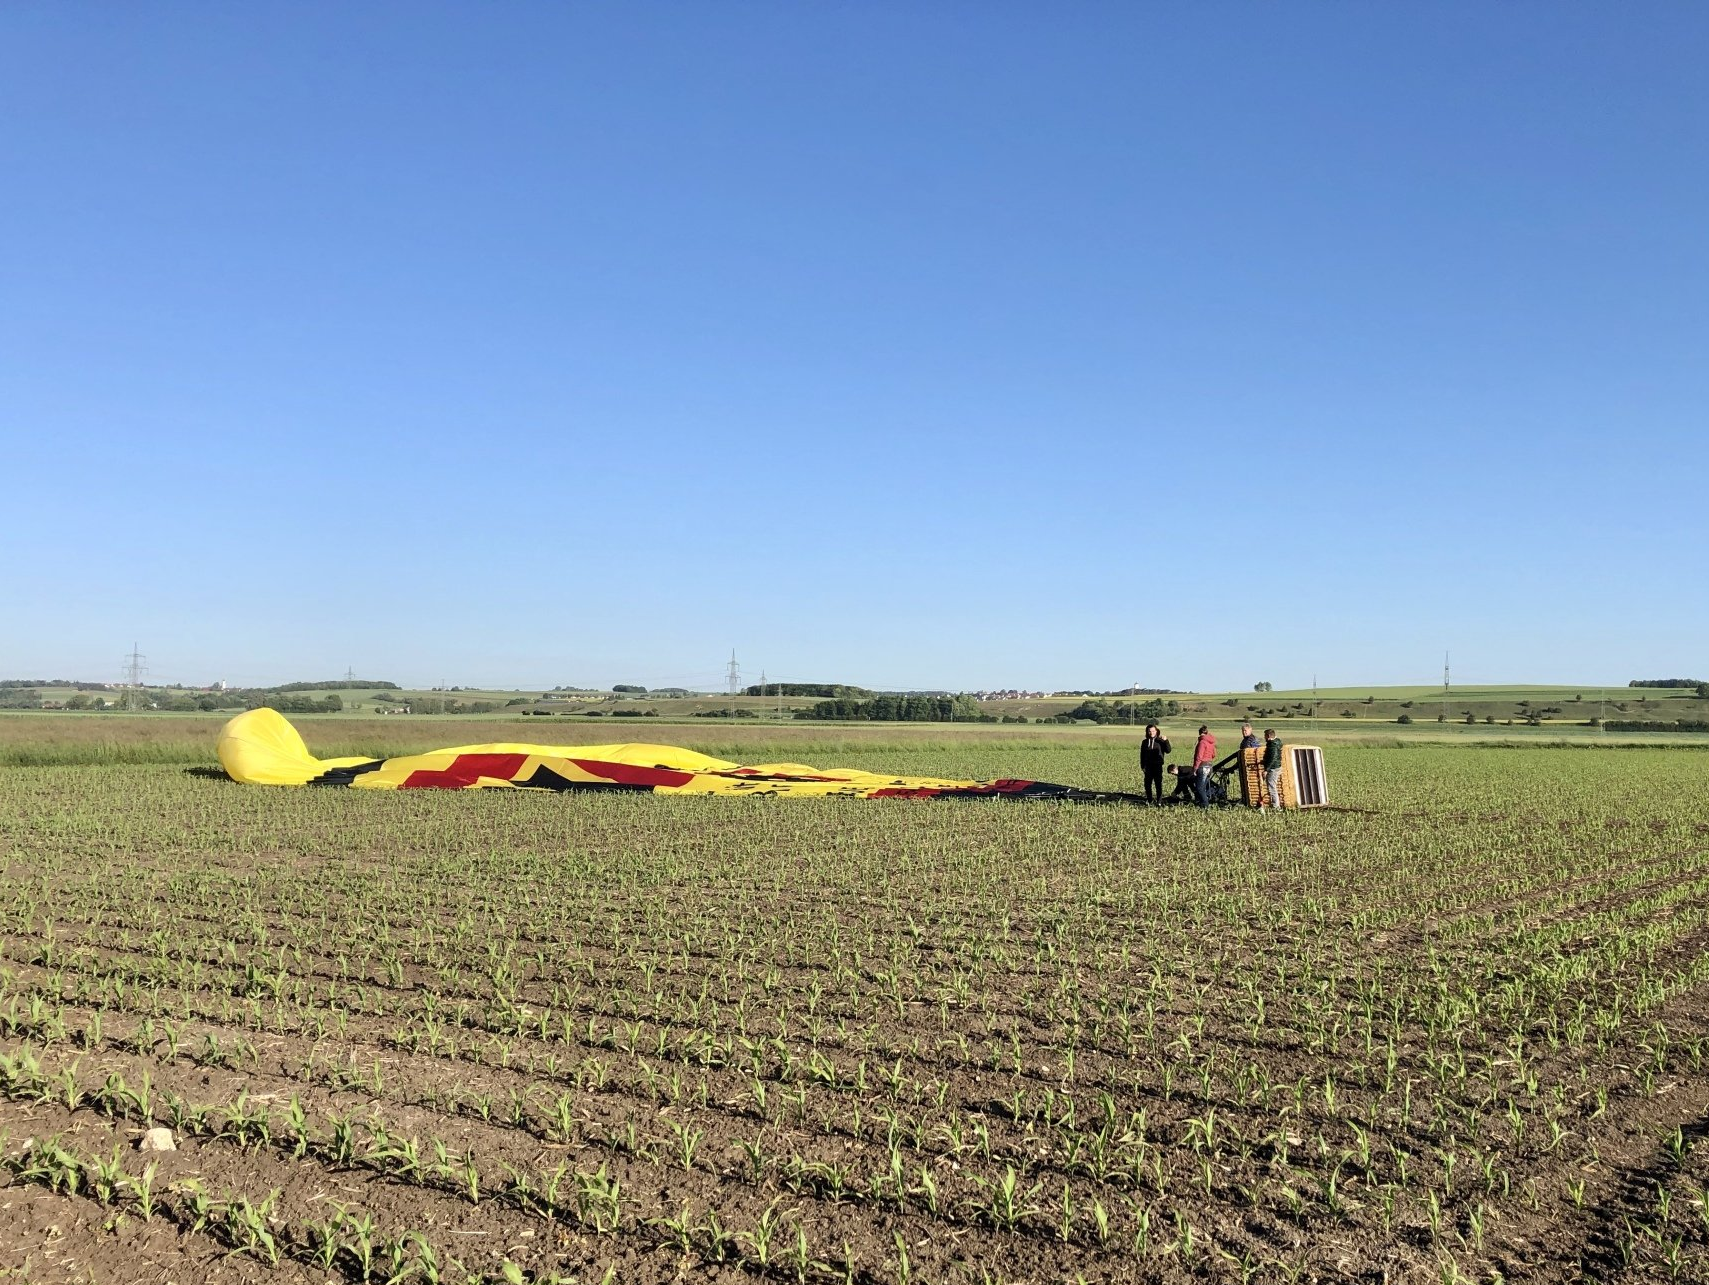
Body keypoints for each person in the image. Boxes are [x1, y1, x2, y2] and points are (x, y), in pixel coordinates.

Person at [1139, 724, 1171, 803]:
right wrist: (1142, 766)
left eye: (1153, 731)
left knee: (1158, 784)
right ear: (1147, 732)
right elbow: (1142, 755)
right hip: (1148, 767)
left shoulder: (1160, 741)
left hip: (1157, 766)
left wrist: (1166, 741)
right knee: (1147, 785)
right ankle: (1149, 800)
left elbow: (1168, 750)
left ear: (1156, 731)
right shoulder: (1145, 742)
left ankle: (1159, 801)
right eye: (1149, 731)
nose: (1151, 733)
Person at [1191, 725, 1216, 807]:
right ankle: (1202, 803)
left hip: (1202, 766)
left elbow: (1199, 757)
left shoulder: (1202, 742)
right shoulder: (1211, 742)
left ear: (1200, 733)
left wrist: (1195, 768)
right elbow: (1214, 755)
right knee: (1203, 787)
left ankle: (1205, 804)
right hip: (1209, 766)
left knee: (1199, 788)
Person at [1261, 728, 1284, 812]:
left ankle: (1276, 807)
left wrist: (1266, 770)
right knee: (1272, 787)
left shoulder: (1273, 745)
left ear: (1268, 736)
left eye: (1265, 736)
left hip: (1273, 768)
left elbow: (1273, 758)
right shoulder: (1276, 742)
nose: (1264, 737)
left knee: (1272, 787)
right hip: (1276, 767)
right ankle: (1275, 805)